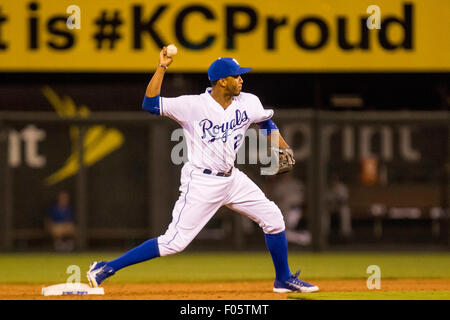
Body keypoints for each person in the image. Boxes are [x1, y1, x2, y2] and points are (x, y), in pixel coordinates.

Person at [86, 48, 318, 293]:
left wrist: (282, 148)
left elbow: (265, 122)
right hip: (202, 182)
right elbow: (150, 103)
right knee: (173, 243)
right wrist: (162, 67)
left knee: (273, 218)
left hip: (232, 179)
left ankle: (282, 279)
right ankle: (105, 267)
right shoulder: (192, 105)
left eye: (241, 75)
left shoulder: (249, 101)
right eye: (236, 76)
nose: (241, 79)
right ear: (221, 81)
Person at [271, 173, 311, 246]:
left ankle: (303, 239)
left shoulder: (296, 184)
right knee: (284, 233)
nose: (286, 175)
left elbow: (302, 197)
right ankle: (302, 239)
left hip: (295, 209)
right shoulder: (280, 185)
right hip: (283, 210)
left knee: (287, 231)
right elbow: (276, 198)